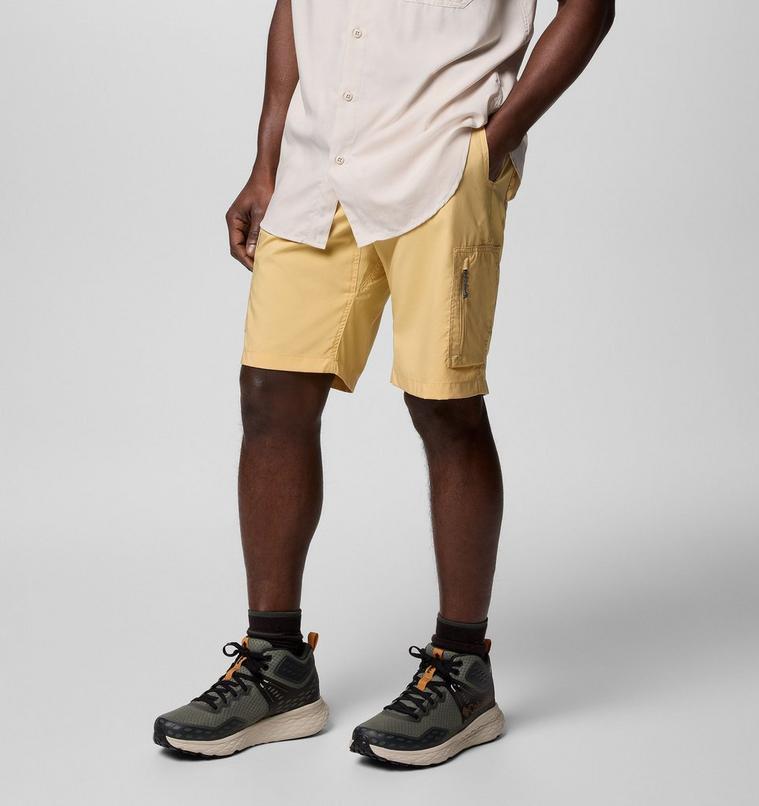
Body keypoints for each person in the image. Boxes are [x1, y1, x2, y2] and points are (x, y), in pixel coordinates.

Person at [154, 0, 614, 765]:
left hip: (440, 160)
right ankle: (276, 666)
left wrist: (495, 144)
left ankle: (463, 672)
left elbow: (590, 8)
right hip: (317, 163)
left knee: (443, 403)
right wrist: (268, 159)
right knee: (270, 393)